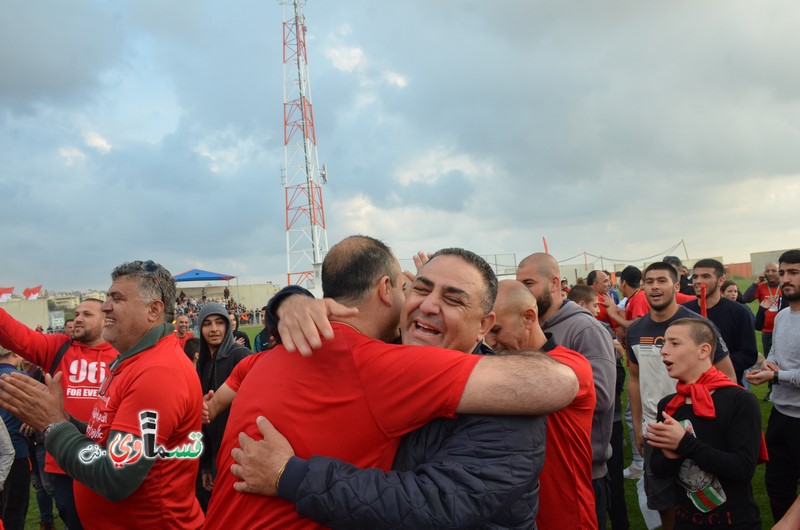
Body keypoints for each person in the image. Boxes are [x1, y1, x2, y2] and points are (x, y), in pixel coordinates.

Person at [203, 237, 578, 529]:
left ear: (484, 325)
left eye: (452, 299)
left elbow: (436, 506)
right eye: (419, 289)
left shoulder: (512, 404)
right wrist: (290, 303)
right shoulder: (380, 357)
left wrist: (292, 475)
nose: (429, 305)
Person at [0, 260, 204, 529]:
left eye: (116, 298)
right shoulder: (135, 360)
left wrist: (53, 425)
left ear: (153, 310)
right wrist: (65, 420)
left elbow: (116, 476)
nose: (105, 306)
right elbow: (107, 438)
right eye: (108, 296)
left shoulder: (158, 371)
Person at [627, 262, 735, 530]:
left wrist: (720, 424)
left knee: (702, 497)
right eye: (649, 281)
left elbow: (727, 376)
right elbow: (635, 379)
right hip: (655, 427)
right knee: (663, 498)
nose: (654, 286)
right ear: (642, 287)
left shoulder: (698, 326)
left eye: (662, 280)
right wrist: (639, 428)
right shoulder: (636, 330)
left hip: (697, 427)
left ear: (676, 286)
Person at [516, 252, 617, 528]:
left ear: (554, 283)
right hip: (542, 468)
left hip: (582, 471)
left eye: (528, 283)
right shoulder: (529, 326)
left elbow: (602, 395)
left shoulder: (584, 328)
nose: (521, 291)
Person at [487, 279, 598, 529]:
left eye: (496, 330)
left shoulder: (571, 365)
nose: (490, 342)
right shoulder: (500, 362)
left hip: (564, 514)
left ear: (528, 317)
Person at [0, 298, 116, 530]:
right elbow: (13, 333)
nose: (78, 319)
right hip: (63, 462)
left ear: (105, 319)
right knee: (72, 520)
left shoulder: (122, 353)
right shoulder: (58, 347)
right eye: (77, 313)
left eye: (87, 314)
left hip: (106, 459)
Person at [648, 318, 762, 529]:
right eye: (663, 343)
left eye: (674, 343)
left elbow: (743, 468)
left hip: (733, 522)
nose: (663, 351)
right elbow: (659, 469)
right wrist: (671, 457)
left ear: (703, 351)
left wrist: (685, 444)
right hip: (684, 520)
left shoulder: (739, 400)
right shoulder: (670, 404)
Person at [745, 249, 800, 523]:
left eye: (794, 272)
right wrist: (768, 365)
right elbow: (776, 354)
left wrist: (776, 377)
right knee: (778, 487)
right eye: (783, 272)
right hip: (780, 416)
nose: (785, 278)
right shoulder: (781, 317)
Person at [196, 304, 251, 511]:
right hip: (213, 454)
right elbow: (203, 422)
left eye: (220, 323)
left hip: (238, 453)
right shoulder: (202, 362)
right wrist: (205, 465)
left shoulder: (241, 356)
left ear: (228, 326)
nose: (214, 329)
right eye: (207, 324)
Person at [682, 259, 757, 385]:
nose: (698, 281)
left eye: (706, 276)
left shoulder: (739, 312)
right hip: (689, 386)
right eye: (695, 277)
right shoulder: (683, 312)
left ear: (721, 280)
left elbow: (748, 354)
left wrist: (714, 365)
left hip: (726, 385)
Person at [0, 349, 29, 530]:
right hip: (15, 450)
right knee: (14, 511)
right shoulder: (20, 378)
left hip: (7, 448)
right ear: (15, 353)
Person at [742, 262, 782, 355]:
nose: (770, 273)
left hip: (783, 329)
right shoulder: (761, 287)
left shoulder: (785, 286)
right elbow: (746, 299)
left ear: (779, 272)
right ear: (764, 273)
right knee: (769, 360)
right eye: (767, 271)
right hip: (767, 331)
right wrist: (756, 283)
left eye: (773, 271)